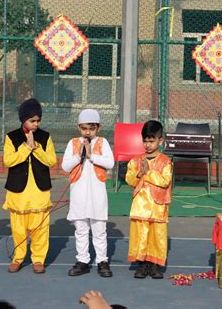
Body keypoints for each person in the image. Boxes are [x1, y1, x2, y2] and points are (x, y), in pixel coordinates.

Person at [3, 98, 57, 274]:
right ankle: (18, 258)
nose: (36, 124)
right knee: (18, 229)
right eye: (32, 120)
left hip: (39, 191)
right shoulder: (11, 137)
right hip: (18, 192)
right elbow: (8, 161)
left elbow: (52, 160)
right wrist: (26, 148)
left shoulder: (45, 137)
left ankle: (38, 259)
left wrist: (37, 149)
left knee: (40, 228)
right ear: (23, 119)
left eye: (38, 120)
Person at [62, 109, 114, 277]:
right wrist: (80, 156)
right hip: (79, 194)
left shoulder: (102, 142)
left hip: (97, 194)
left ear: (98, 128)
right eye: (84, 128)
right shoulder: (73, 143)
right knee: (81, 229)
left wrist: (91, 155)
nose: (88, 132)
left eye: (91, 128)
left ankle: (102, 261)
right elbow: (65, 166)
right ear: (79, 128)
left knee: (99, 230)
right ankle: (82, 260)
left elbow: (110, 163)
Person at [125, 120, 172, 279]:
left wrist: (148, 172)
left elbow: (165, 181)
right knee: (140, 235)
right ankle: (141, 264)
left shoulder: (165, 162)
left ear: (160, 140)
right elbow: (129, 179)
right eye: (145, 141)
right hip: (140, 206)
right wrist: (139, 174)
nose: (147, 144)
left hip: (157, 206)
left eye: (151, 141)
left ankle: (155, 266)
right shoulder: (136, 160)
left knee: (156, 236)